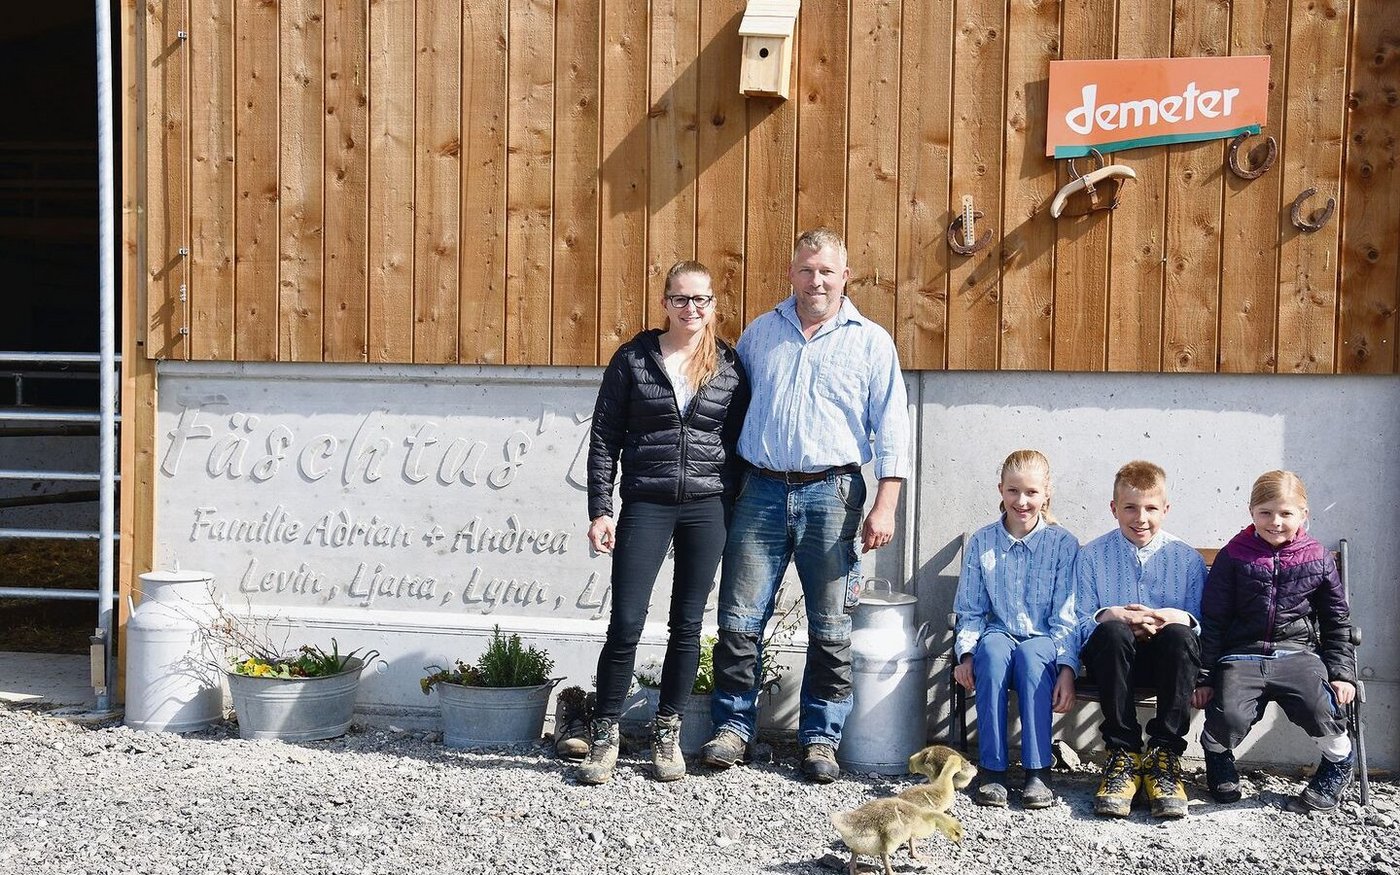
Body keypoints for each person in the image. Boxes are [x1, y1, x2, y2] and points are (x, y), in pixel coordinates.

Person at [699, 228, 911, 784]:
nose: (816, 281)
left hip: (832, 493)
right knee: (739, 618)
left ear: (846, 277)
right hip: (760, 491)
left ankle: (820, 738)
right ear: (791, 273)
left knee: (832, 623)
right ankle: (732, 728)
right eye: (807, 269)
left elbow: (893, 429)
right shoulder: (761, 332)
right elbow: (731, 407)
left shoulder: (871, 342)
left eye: (827, 271)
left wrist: (886, 504)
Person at [578, 260, 750, 785]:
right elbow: (604, 436)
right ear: (665, 303)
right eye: (680, 298)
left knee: (687, 625)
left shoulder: (729, 365)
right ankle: (604, 732)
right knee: (626, 621)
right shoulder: (633, 359)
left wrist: (731, 503)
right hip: (647, 503)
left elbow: (738, 443)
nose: (690, 308)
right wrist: (601, 509)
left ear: (713, 305)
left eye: (700, 299)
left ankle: (667, 732)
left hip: (706, 506)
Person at [1193, 470, 1357, 812]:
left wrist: (1342, 674)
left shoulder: (1317, 558)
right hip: (1242, 655)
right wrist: (1205, 677)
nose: (1276, 522)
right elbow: (1214, 619)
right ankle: (1217, 754)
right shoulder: (1234, 555)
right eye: (1265, 512)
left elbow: (1336, 621)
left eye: (1286, 513)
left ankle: (1339, 763)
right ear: (1251, 512)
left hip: (1298, 654)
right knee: (1229, 717)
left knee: (1320, 708)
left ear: (1303, 514)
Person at [1074, 460, 1206, 819]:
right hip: (1113, 663)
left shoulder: (1187, 559)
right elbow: (1078, 621)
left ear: (1166, 509)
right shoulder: (1091, 557)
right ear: (1114, 508)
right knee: (1113, 629)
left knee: (1180, 634)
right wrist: (1112, 615)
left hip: (1169, 666)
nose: (1141, 518)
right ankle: (1124, 755)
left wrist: (1178, 618)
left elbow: (1205, 627)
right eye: (1130, 508)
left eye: (1151, 508)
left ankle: (1165, 756)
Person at [952, 450, 1080, 809]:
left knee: (1032, 659)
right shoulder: (983, 542)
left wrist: (1067, 669)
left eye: (1031, 492)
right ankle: (992, 770)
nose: (1022, 501)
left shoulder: (1063, 545)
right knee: (992, 655)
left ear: (1046, 493)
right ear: (1001, 490)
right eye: (1013, 491)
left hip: (1044, 638)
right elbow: (970, 609)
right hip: (999, 632)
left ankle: (1038, 771)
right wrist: (966, 654)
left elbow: (1068, 615)